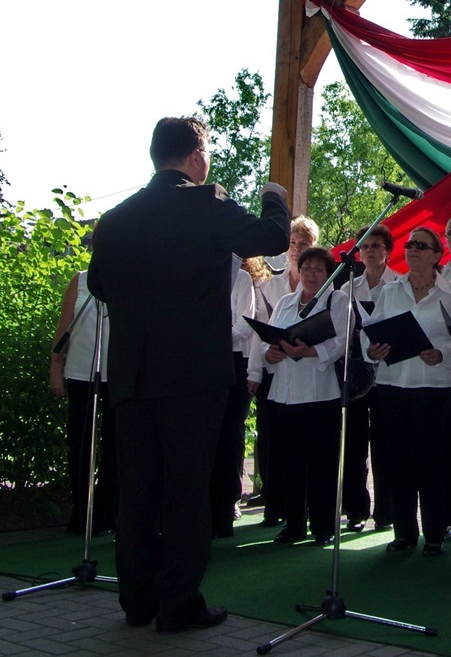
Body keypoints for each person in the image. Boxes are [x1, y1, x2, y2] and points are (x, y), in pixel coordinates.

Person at [87, 116, 289, 634]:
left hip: (132, 377)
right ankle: (177, 605)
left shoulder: (115, 219)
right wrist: (274, 195)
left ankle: (137, 602)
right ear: (197, 157)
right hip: (193, 378)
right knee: (185, 491)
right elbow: (271, 237)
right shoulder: (207, 203)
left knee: (136, 493)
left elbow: (100, 286)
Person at [367, 225, 451, 555]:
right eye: (410, 245)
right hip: (392, 384)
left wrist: (442, 354)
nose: (413, 251)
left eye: (421, 246)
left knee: (431, 463)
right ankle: (404, 532)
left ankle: (435, 532)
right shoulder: (391, 291)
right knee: (398, 462)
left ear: (437, 255)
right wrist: (373, 350)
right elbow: (372, 332)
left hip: (433, 387)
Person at [261, 246, 351, 545]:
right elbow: (267, 338)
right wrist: (269, 353)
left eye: (318, 270)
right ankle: (294, 524)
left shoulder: (337, 300)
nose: (311, 275)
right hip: (284, 394)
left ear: (328, 274)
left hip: (320, 394)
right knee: (290, 463)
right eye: (307, 269)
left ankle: (324, 526)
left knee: (322, 465)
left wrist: (310, 351)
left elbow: (342, 341)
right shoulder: (285, 302)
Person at [248, 216, 321, 527]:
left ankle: (305, 507)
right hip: (274, 368)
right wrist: (257, 367)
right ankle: (273, 501)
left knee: (304, 445)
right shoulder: (271, 284)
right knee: (271, 438)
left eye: (303, 244)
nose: (296, 249)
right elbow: (259, 331)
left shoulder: (324, 286)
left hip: (309, 372)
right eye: (292, 243)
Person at [49, 268, 117, 536]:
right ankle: (82, 513)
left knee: (115, 447)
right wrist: (55, 367)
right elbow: (64, 325)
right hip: (80, 373)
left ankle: (106, 511)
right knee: (79, 444)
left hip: (118, 375)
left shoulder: (130, 276)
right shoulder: (79, 280)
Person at [343, 224, 400, 531]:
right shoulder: (348, 288)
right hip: (356, 374)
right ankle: (356, 510)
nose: (369, 251)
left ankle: (386, 511)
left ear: (387, 251)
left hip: (389, 373)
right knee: (353, 444)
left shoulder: (400, 284)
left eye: (375, 245)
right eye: (364, 246)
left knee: (384, 444)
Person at [210, 255, 259, 538]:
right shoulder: (197, 273)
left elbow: (244, 324)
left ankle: (228, 503)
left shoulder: (241, 278)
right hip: (203, 362)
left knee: (230, 433)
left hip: (234, 362)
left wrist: (212, 336)